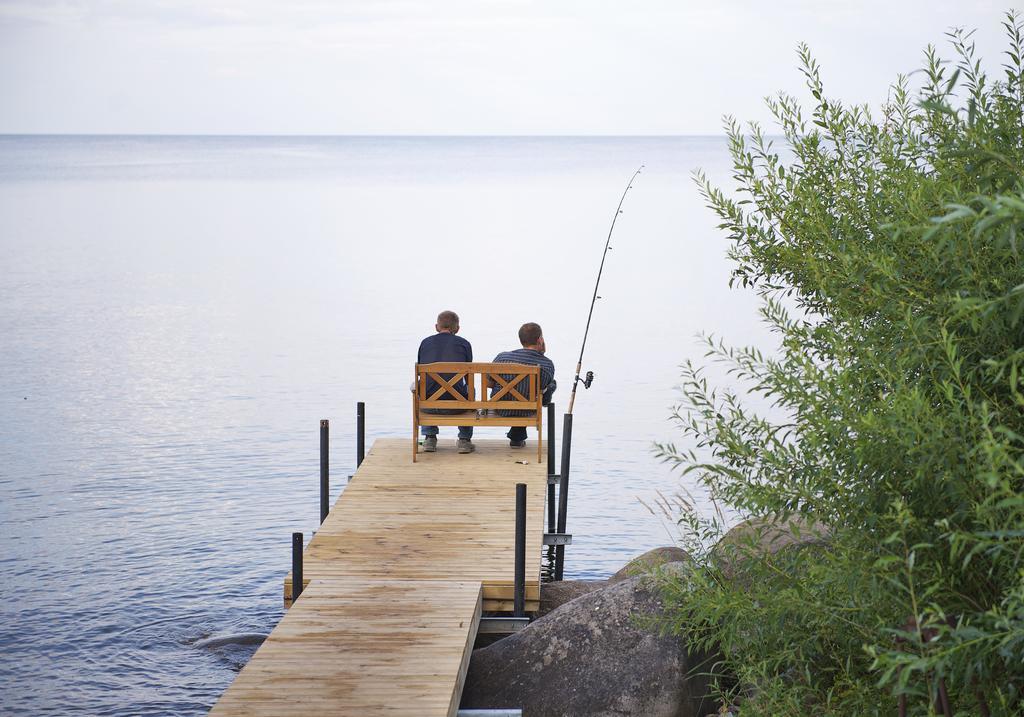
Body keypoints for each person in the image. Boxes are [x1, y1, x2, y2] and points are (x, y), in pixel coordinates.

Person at [417, 310, 475, 454]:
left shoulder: (425, 343)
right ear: (457, 328)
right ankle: (464, 440)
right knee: (471, 389)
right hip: (457, 405)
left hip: (428, 405)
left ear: (437, 327)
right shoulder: (464, 344)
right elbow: (469, 378)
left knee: (423, 387)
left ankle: (429, 438)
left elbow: (421, 374)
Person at [492, 322, 556, 448]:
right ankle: (516, 438)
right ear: (540, 340)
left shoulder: (502, 357)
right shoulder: (546, 364)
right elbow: (541, 391)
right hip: (526, 410)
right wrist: (541, 354)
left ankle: (516, 437)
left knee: (519, 392)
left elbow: (489, 384)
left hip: (500, 408)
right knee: (549, 385)